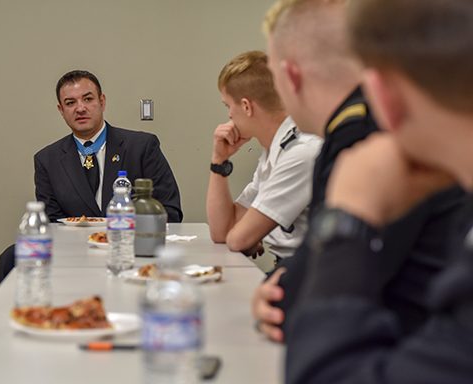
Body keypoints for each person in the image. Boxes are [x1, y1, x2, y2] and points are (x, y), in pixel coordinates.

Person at [252, 0, 466, 342]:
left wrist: (281, 291)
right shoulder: (354, 127)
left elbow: (310, 298)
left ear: (291, 76)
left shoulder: (357, 137)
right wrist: (281, 284)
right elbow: (313, 262)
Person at [206, 51, 321, 265]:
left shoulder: (301, 152)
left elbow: (237, 239)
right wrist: (218, 161)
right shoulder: (274, 150)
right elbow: (222, 231)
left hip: (310, 277)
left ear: (247, 107)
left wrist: (249, 235)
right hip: (293, 269)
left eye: (228, 106)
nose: (229, 115)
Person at [35, 70, 182, 223]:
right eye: (70, 103)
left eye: (87, 99)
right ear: (61, 110)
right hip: (74, 245)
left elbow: (169, 211)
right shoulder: (47, 160)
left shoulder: (142, 147)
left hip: (133, 243)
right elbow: (51, 223)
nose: (80, 108)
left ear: (102, 102)